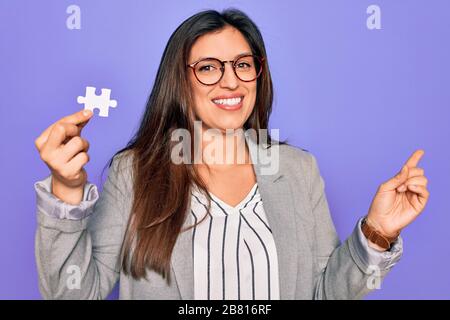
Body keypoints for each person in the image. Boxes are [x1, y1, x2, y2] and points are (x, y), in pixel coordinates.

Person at [33, 9, 429, 300]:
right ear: (180, 81)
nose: (230, 80)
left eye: (243, 65)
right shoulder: (135, 172)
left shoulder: (298, 170)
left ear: (259, 74)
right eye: (208, 67)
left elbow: (323, 293)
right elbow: (72, 294)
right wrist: (66, 191)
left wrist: (378, 232)